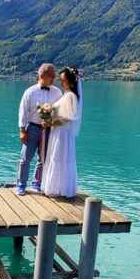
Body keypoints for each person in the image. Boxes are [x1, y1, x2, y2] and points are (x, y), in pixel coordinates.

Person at [16, 62, 62, 195]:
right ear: (42, 76)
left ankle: (37, 183)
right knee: (25, 158)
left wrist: (52, 121)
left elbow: (59, 111)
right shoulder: (30, 92)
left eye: (54, 76)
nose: (54, 79)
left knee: (43, 159)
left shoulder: (57, 92)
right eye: (51, 76)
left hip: (48, 130)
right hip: (32, 129)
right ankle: (21, 184)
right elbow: (22, 112)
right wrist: (22, 131)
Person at [40, 67, 83, 198]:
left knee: (59, 158)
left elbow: (67, 118)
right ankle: (59, 187)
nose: (61, 83)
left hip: (62, 134)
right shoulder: (67, 94)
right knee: (59, 158)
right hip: (59, 132)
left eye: (63, 80)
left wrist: (50, 123)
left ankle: (59, 188)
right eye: (61, 80)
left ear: (71, 82)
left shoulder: (70, 96)